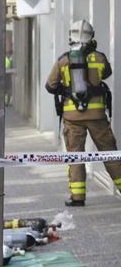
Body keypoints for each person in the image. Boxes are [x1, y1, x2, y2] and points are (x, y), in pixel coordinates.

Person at [45, 19, 121, 207]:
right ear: (91, 36)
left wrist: (67, 90)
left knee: (75, 156)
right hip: (97, 117)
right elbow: (108, 73)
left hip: (72, 119)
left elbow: (50, 86)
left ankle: (77, 197)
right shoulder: (100, 58)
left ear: (71, 36)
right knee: (109, 154)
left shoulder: (64, 60)